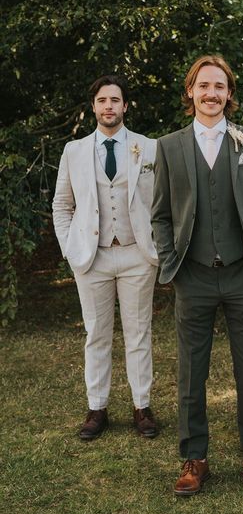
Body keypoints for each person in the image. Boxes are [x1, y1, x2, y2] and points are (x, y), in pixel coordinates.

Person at [151, 55, 243, 496]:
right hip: (193, 277)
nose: (212, 94)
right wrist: (172, 263)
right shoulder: (169, 146)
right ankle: (194, 457)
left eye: (219, 87)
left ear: (229, 93)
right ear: (190, 91)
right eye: (204, 86)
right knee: (192, 371)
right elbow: (161, 215)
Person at [53, 75, 159, 440]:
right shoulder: (74, 151)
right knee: (96, 333)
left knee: (138, 332)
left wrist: (155, 248)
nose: (109, 106)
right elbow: (62, 205)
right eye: (102, 100)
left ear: (125, 105)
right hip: (92, 257)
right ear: (93, 106)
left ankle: (141, 406)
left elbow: (161, 204)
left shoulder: (149, 148)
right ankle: (97, 408)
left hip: (136, 255)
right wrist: (70, 247)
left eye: (115, 100)